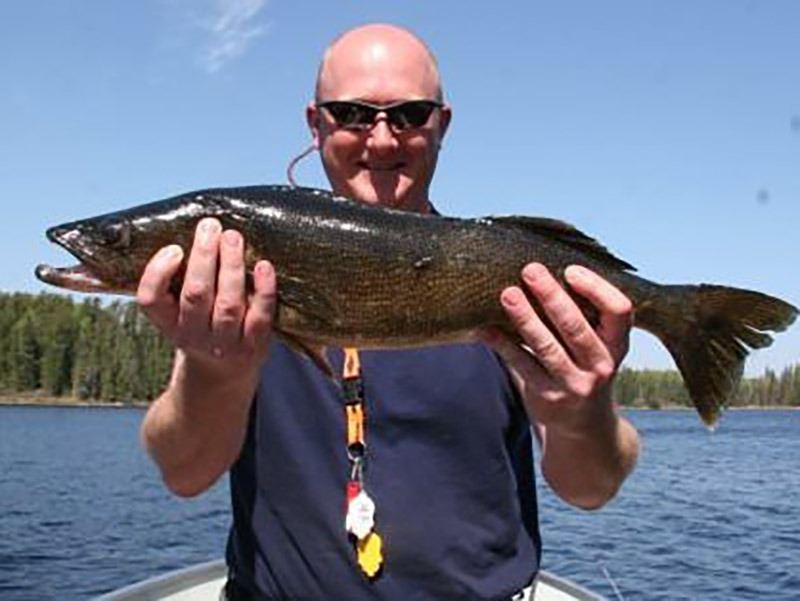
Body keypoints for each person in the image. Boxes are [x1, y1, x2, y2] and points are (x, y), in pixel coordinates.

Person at [138, 23, 640, 601]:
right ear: (316, 123)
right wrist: (214, 375)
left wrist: (581, 415)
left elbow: (591, 488)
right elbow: (185, 472)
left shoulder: (514, 284)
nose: (380, 140)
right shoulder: (236, 283)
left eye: (409, 115)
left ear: (442, 125)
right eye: (352, 114)